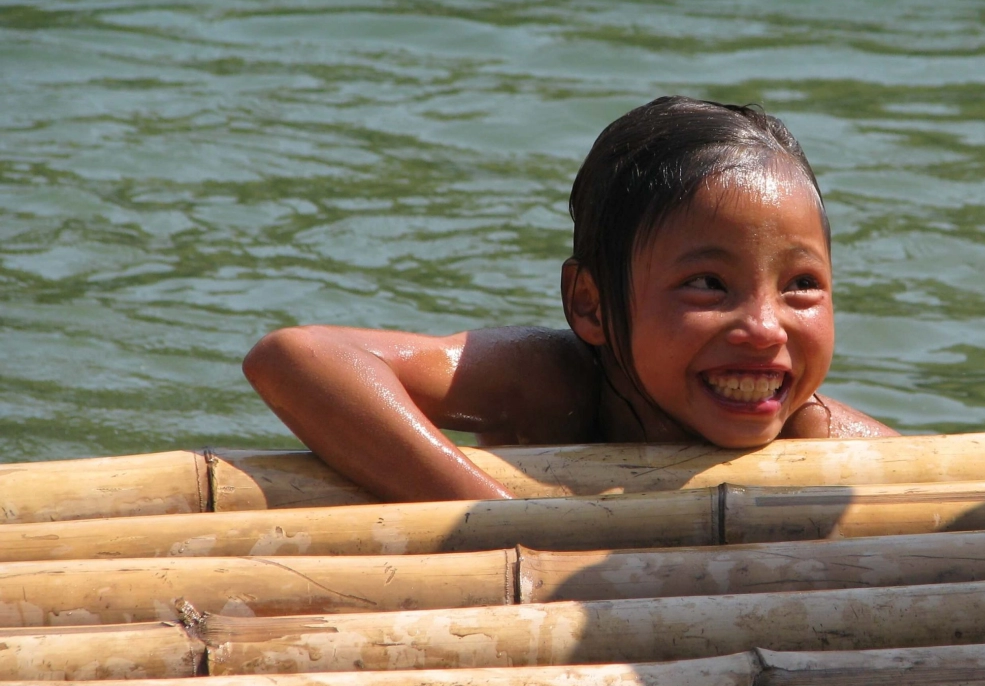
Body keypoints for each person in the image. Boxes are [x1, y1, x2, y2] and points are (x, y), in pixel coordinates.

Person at [243, 95, 897, 502]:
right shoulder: (550, 387)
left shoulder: (823, 437)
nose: (763, 327)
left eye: (801, 286)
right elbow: (294, 359)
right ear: (589, 304)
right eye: (708, 284)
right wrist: (497, 522)